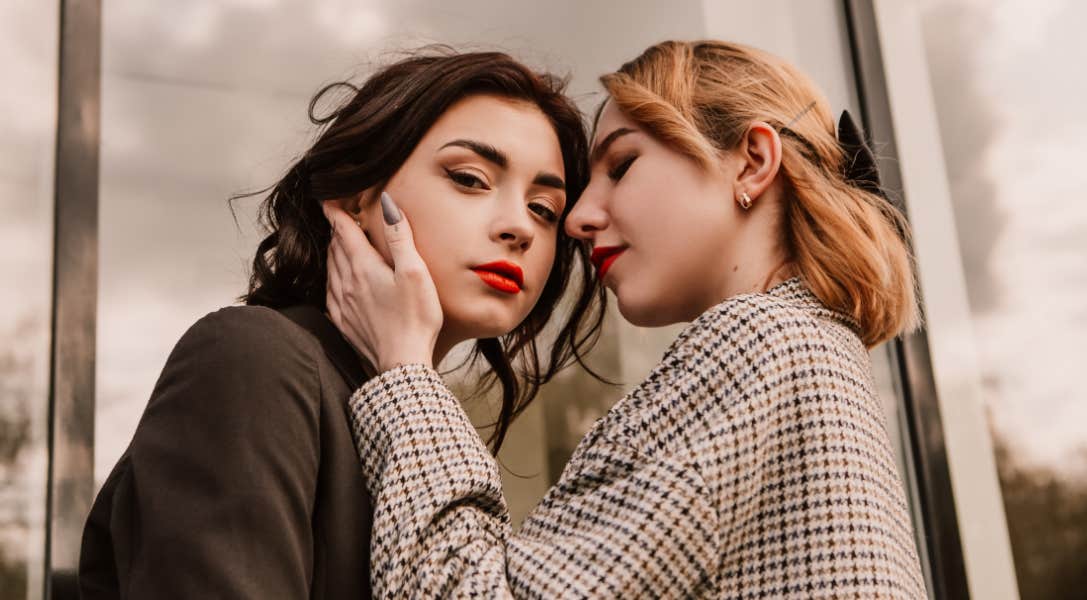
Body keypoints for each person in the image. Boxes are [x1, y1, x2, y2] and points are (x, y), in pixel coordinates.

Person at [326, 39, 929, 598]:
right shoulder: (817, 352)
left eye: (620, 166)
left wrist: (404, 370)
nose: (577, 218)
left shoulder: (760, 344)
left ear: (751, 163)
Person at [77, 48, 603, 599]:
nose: (520, 225)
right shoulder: (253, 359)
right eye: (470, 178)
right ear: (356, 199)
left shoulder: (409, 424)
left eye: (544, 209)